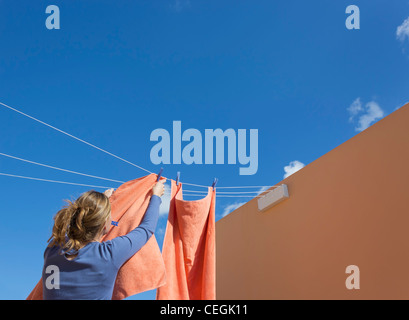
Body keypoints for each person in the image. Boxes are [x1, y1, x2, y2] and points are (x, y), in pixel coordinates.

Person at [42, 180, 165, 300]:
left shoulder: (53, 249)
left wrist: (101, 203)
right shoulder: (108, 254)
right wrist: (156, 196)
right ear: (104, 225)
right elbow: (146, 229)